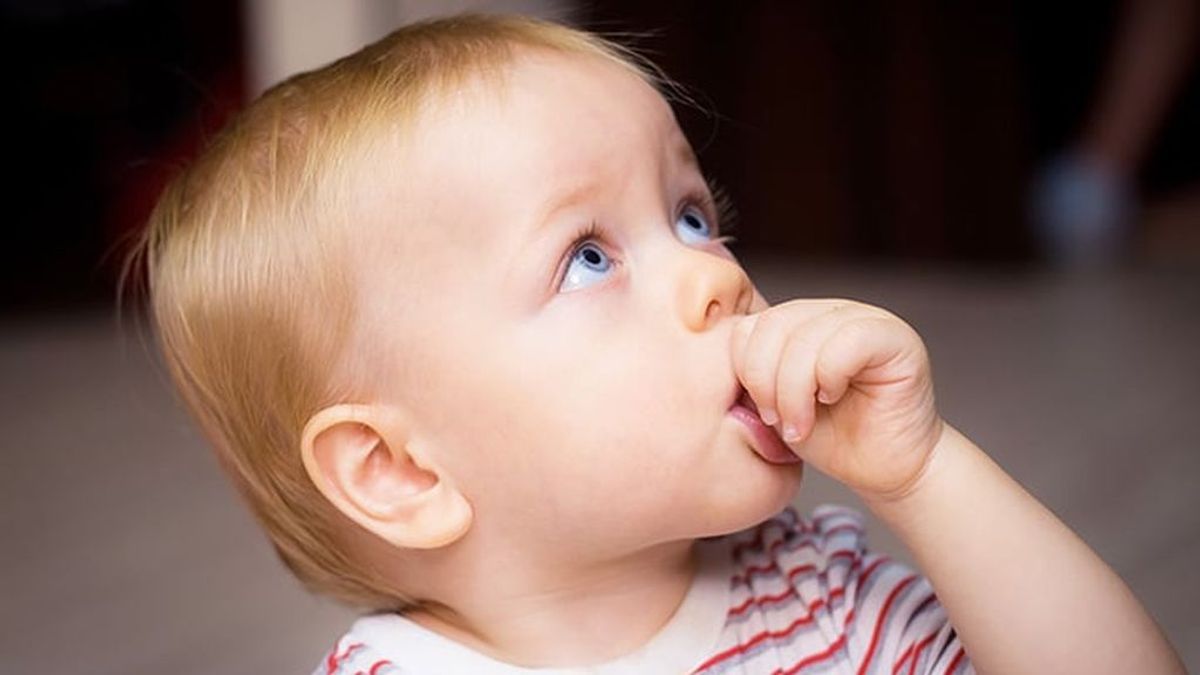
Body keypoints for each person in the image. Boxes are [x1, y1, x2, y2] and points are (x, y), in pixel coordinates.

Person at [122, 14, 1185, 674]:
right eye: (588, 256)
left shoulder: (814, 590)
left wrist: (926, 473)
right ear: (401, 470)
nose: (716, 273)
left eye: (689, 213)